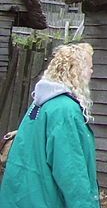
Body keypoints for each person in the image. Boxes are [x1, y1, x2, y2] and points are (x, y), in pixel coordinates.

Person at [0, 42, 99, 208]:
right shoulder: (64, 110)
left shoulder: (40, 104)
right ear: (76, 70)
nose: (91, 71)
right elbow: (71, 171)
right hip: (45, 200)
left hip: (22, 198)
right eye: (89, 66)